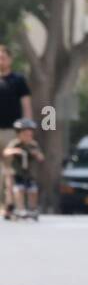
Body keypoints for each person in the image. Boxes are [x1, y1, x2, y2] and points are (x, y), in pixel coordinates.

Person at [0, 43, 35, 219]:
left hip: (11, 132)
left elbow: (26, 104)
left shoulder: (18, 80)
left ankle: (9, 206)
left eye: (3, 57)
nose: (0, 60)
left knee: (10, 171)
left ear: (10, 59)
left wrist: (27, 127)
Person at [3, 118, 43, 217]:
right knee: (18, 189)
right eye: (25, 134)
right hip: (17, 172)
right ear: (19, 134)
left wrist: (36, 154)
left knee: (33, 189)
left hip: (28, 173)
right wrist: (15, 151)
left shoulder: (33, 145)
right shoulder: (15, 143)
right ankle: (20, 208)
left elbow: (41, 157)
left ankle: (33, 208)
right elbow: (6, 152)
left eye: (30, 135)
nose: (28, 137)